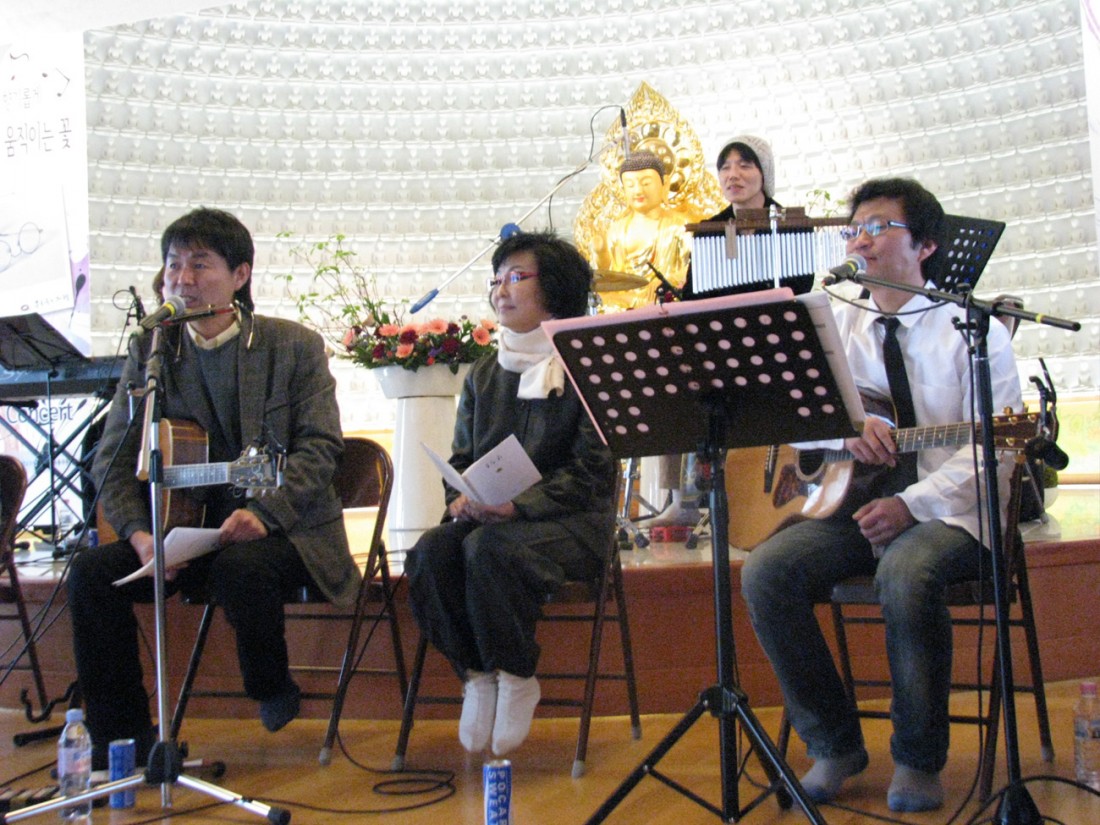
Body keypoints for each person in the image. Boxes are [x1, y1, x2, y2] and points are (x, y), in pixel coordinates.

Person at [740, 177, 1023, 812]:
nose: (860, 241)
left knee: (905, 570)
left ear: (925, 245)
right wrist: (842, 429)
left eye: (878, 227)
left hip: (953, 514)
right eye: (854, 229)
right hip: (851, 509)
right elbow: (788, 415)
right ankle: (833, 743)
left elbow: (995, 449)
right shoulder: (834, 323)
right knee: (766, 572)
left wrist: (911, 504)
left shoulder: (974, 332)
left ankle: (918, 759)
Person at [68, 208, 359, 768]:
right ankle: (122, 743)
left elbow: (320, 447)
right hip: (183, 533)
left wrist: (264, 514)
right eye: (173, 264)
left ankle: (269, 683)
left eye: (200, 265)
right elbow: (113, 457)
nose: (182, 278)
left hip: (286, 533)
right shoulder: (153, 351)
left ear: (240, 275)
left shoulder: (292, 346)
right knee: (90, 574)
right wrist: (139, 534)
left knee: (241, 566)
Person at [405, 230, 618, 757]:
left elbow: (593, 472)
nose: (500, 290)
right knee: (430, 552)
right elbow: (460, 457)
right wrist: (460, 496)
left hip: (572, 524)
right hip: (492, 519)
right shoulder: (484, 373)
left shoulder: (587, 366)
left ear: (557, 288)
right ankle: (477, 675)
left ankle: (517, 673)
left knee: (488, 550)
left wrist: (520, 505)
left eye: (516, 277)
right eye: (496, 279)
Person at [599, 150, 692, 310]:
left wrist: (666, 281)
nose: (638, 191)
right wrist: (600, 253)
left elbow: (691, 268)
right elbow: (614, 276)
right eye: (630, 185)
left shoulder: (679, 225)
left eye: (646, 183)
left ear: (664, 185)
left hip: (664, 295)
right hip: (628, 298)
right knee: (605, 299)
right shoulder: (618, 230)